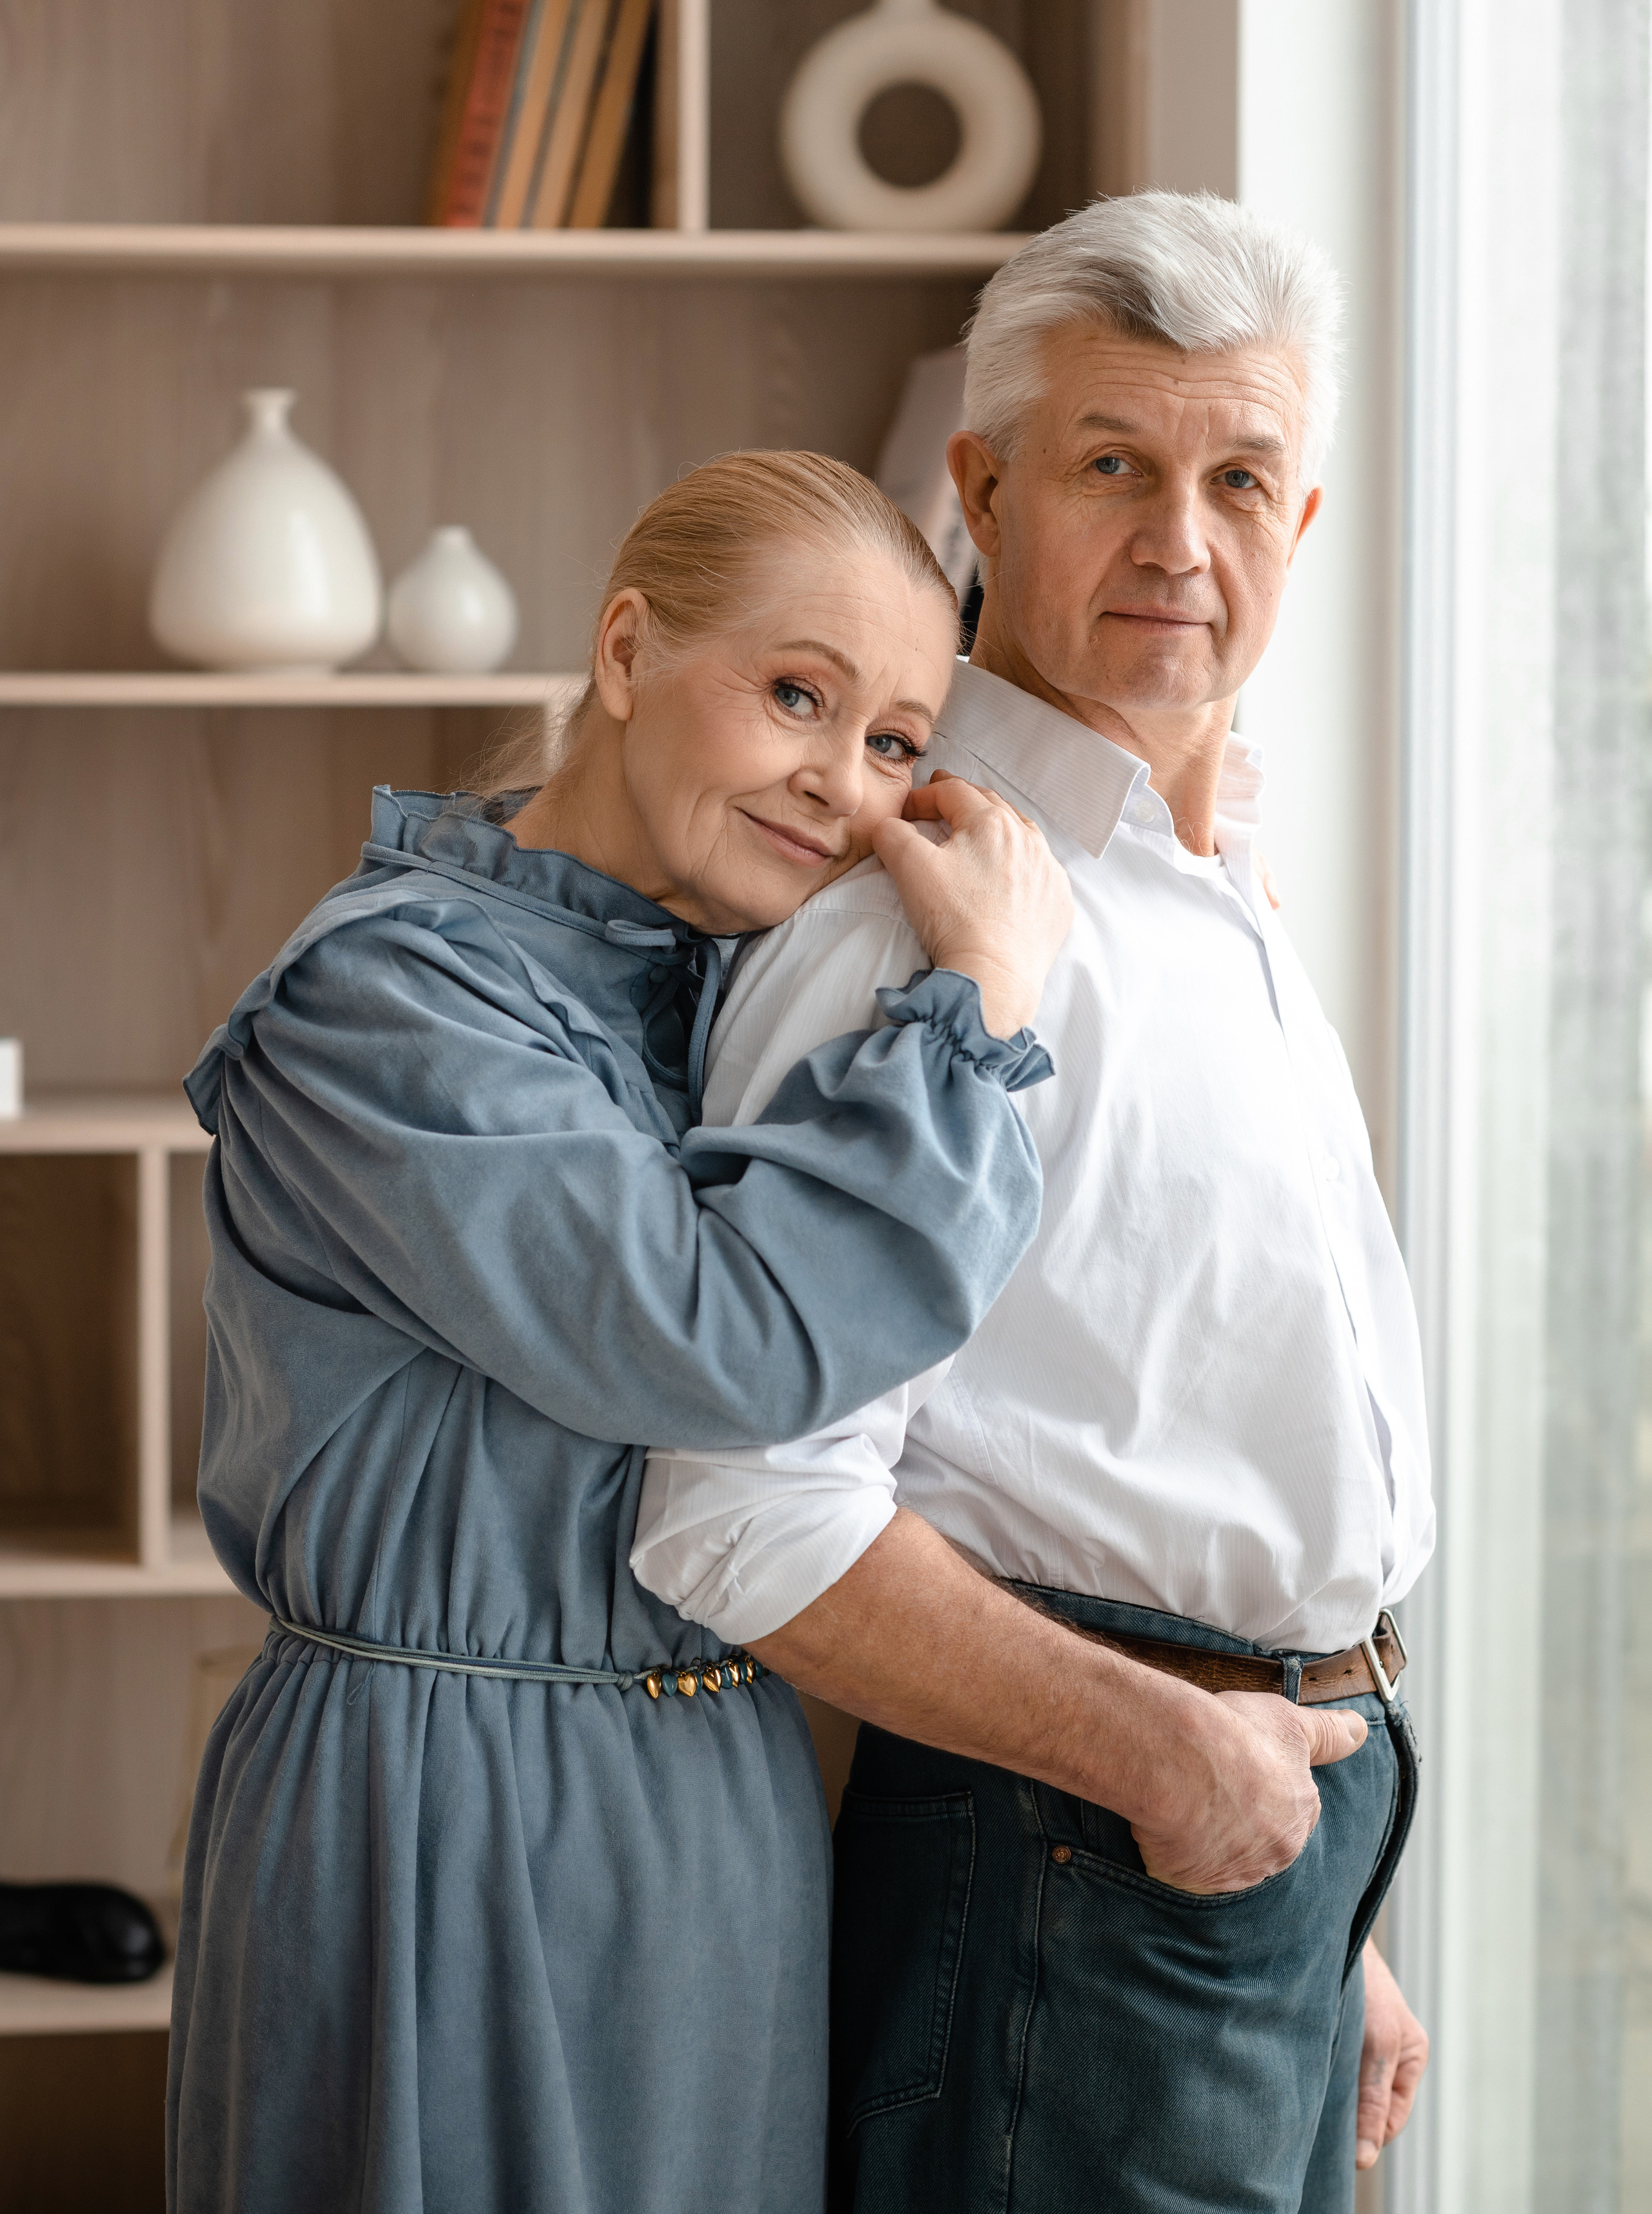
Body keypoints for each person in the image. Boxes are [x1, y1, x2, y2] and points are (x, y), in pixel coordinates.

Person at [633, 193, 1435, 2214]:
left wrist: (1333, 1898)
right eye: (1114, 466)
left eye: (1240, 479)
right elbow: (742, 1505)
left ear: (1305, 526)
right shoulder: (921, 912)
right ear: (980, 490)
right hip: (1076, 1849)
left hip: (1248, 1857)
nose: (1185, 541)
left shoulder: (1213, 881)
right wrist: (1177, 1766)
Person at [165, 450, 1073, 2214]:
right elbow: (712, 1338)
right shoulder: (386, 998)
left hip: (720, 1795)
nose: (837, 782)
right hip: (432, 1800)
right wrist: (980, 1016)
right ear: (631, 650)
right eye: (795, 694)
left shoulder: (745, 1001)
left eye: (894, 743)